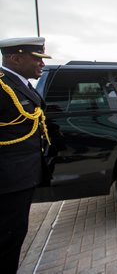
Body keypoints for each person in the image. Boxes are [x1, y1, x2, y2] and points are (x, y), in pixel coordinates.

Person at [0, 37, 52, 273]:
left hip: (20, 176)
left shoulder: (21, 84)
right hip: (7, 180)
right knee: (7, 236)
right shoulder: (3, 87)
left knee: (15, 232)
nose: (41, 64)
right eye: (37, 58)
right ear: (16, 58)